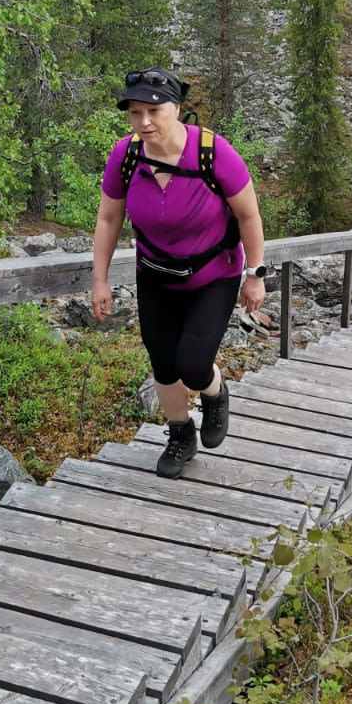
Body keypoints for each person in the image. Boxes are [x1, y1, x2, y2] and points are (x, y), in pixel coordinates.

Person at [91, 68, 268, 478]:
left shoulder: (213, 152)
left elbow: (248, 215)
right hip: (155, 275)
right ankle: (180, 433)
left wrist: (255, 274)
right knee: (164, 363)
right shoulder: (127, 154)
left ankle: (214, 391)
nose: (144, 122)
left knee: (192, 364)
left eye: (153, 110)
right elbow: (108, 219)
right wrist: (99, 279)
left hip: (214, 275)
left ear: (177, 108)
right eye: (135, 112)